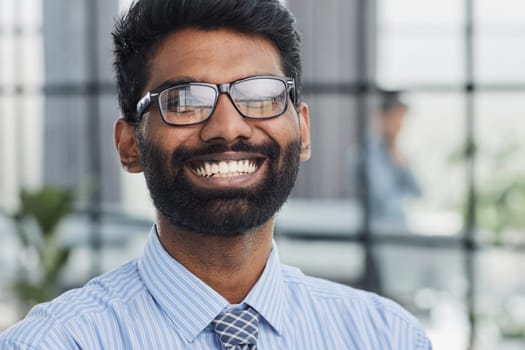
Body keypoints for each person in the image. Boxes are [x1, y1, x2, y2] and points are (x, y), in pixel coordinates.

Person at [0, 1, 432, 348]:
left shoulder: (386, 335)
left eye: (261, 95)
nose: (228, 127)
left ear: (302, 131)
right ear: (129, 144)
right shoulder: (56, 342)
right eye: (184, 100)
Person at [360, 90, 422, 229]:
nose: (401, 125)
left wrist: (403, 166)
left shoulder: (398, 154)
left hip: (400, 229)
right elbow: (385, 199)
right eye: (397, 118)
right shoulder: (366, 154)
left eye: (402, 119)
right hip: (378, 232)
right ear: (382, 118)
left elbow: (420, 194)